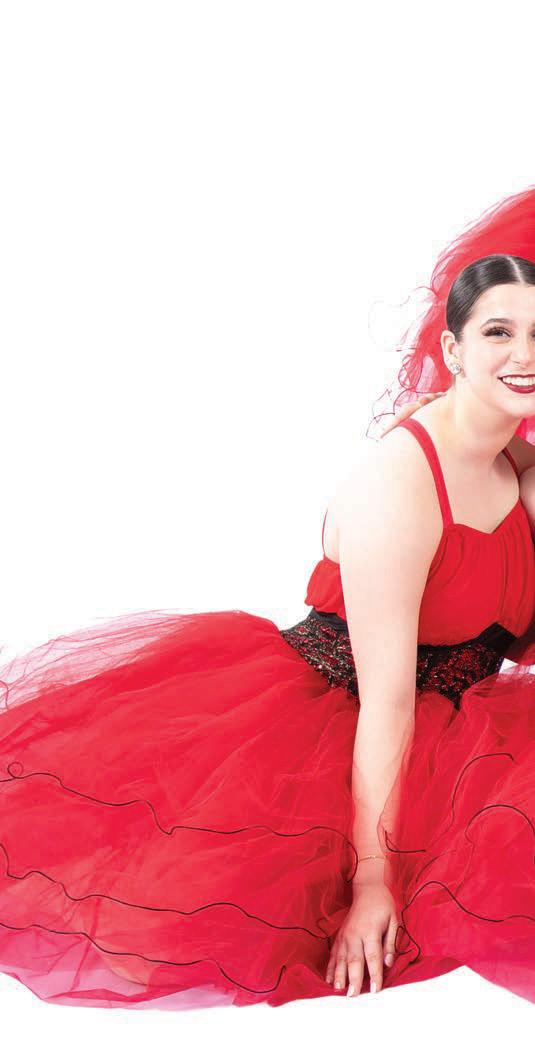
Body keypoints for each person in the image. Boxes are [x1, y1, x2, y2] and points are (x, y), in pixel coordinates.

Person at [2, 196, 535, 1013]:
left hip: (459, 726)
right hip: (348, 728)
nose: (522, 355)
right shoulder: (398, 487)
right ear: (450, 349)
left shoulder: (518, 467)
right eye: (498, 332)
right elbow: (387, 702)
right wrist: (371, 884)